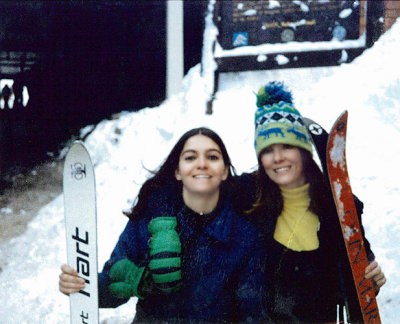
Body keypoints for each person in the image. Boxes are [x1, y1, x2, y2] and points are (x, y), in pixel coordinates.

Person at [59, 127, 270, 323]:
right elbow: (113, 287)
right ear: (178, 171)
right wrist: (83, 287)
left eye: (212, 157)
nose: (202, 163)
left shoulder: (244, 237)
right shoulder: (149, 219)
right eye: (190, 157)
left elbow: (252, 313)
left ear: (224, 171)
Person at [237, 81, 386, 322]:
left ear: (303, 150)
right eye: (267, 150)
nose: (277, 158)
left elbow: (356, 271)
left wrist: (371, 280)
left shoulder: (339, 207)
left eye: (287, 146)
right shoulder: (245, 197)